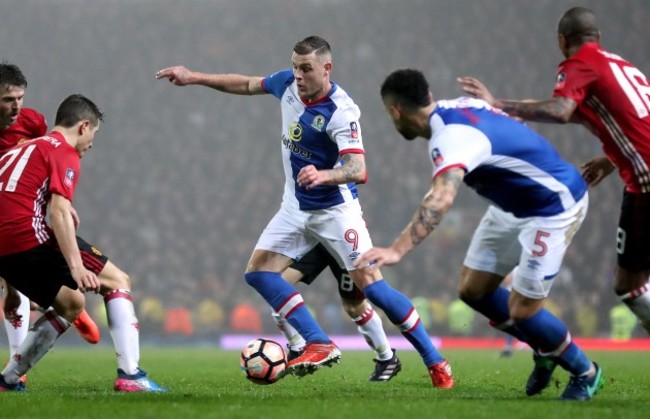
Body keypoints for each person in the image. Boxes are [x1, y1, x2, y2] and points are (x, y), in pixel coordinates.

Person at [156, 36, 454, 387]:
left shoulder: (341, 110)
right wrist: (194, 77)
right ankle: (317, 342)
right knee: (258, 274)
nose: (298, 75)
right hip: (295, 208)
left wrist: (324, 174)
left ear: (327, 68)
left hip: (335, 213)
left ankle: (434, 361)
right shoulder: (286, 84)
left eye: (306, 69)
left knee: (371, 289)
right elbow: (247, 83)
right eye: (295, 67)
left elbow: (358, 169)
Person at [356, 68, 603, 400]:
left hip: (552, 206)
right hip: (510, 205)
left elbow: (442, 198)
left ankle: (584, 370)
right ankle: (546, 349)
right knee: (474, 291)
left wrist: (397, 250)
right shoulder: (456, 106)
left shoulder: (450, 138)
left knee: (523, 310)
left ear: (395, 111)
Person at [458, 5, 650, 390]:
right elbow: (622, 120)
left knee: (630, 285)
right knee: (630, 283)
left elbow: (563, 110)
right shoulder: (621, 66)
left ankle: (571, 363)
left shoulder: (581, 64)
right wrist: (612, 159)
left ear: (563, 42)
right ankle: (547, 349)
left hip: (645, 185)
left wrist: (497, 104)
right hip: (637, 176)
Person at [0, 94, 167, 392]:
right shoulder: (64, 151)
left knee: (71, 303)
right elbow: (59, 211)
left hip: (5, 248)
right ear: (84, 126)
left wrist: (9, 286)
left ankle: (8, 380)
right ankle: (131, 375)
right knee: (117, 280)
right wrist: (76, 267)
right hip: (25, 237)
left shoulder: (20, 149)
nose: (91, 143)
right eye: (94, 134)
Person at [0, 62, 100, 361]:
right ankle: (51, 304)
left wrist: (62, 202)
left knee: (20, 268)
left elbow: (45, 159)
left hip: (25, 207)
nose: (16, 106)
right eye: (8, 100)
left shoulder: (31, 122)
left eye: (20, 98)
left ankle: (62, 303)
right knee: (13, 283)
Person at [276, 243, 401, 382]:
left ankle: (387, 358)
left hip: (342, 241)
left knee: (354, 307)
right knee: (278, 286)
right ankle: (297, 349)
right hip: (317, 240)